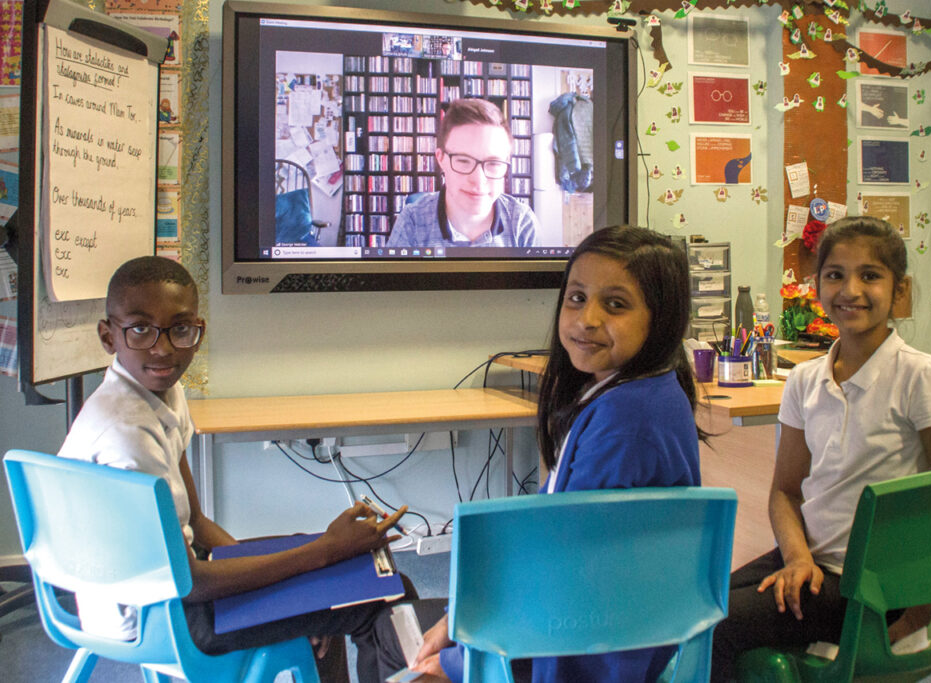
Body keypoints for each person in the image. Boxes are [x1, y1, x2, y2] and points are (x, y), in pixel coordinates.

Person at [370, 226, 703, 682]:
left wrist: (461, 662)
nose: (587, 318)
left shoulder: (626, 425)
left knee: (393, 637)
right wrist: (460, 617)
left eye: (616, 304)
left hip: (579, 652)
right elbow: (552, 547)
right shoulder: (642, 395)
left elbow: (565, 576)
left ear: (661, 318)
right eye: (576, 297)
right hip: (606, 641)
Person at [58, 256, 413, 682]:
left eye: (181, 329)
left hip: (169, 593)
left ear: (198, 330)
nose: (163, 347)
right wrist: (322, 555)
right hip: (164, 618)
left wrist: (305, 580)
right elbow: (189, 582)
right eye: (140, 329)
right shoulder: (126, 433)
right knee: (385, 592)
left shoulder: (161, 392)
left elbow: (198, 521)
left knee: (339, 577)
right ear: (107, 335)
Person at [710, 217, 931, 681]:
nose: (850, 289)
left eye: (870, 275)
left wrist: (915, 621)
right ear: (817, 286)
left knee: (714, 628)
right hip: (813, 565)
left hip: (879, 587)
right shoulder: (805, 379)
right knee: (696, 606)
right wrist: (797, 559)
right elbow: (785, 492)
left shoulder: (922, 377)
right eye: (835, 275)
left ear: (900, 291)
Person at [385, 98, 538, 249]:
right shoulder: (412, 222)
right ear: (441, 159)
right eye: (463, 161)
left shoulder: (522, 222)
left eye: (493, 163)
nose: (478, 180)